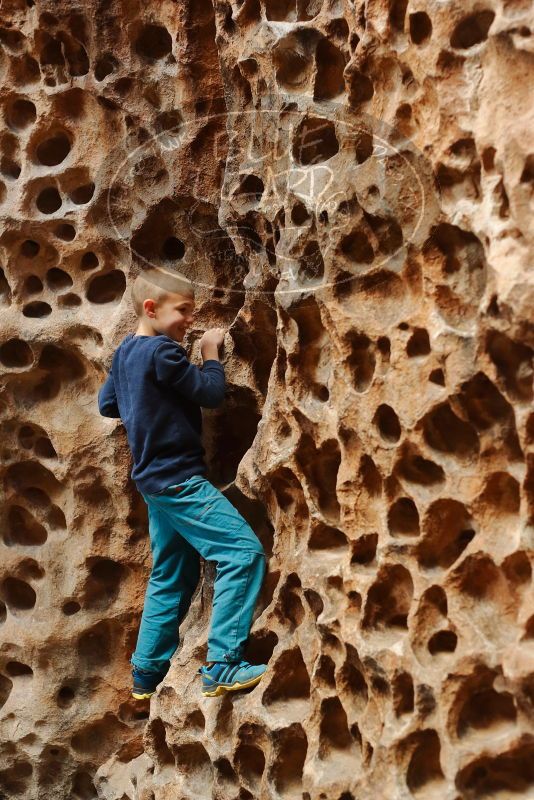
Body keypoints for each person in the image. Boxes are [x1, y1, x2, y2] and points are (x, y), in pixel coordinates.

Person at [97, 266, 267, 699]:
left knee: (171, 572)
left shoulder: (125, 354)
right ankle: (223, 665)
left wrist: (147, 407)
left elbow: (107, 404)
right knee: (242, 554)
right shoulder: (164, 354)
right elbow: (209, 394)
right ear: (151, 309)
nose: (190, 321)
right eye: (184, 311)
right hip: (179, 480)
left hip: (153, 482)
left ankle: (146, 673)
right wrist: (210, 353)